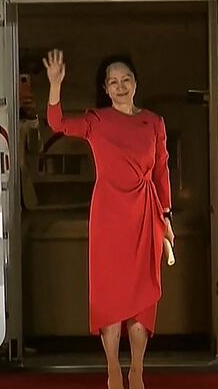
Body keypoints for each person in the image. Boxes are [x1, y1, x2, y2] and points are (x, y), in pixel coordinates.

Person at [43, 49, 175, 389]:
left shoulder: (154, 122)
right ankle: (113, 367)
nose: (120, 86)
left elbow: (162, 172)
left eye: (126, 79)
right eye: (113, 82)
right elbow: (57, 123)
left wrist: (166, 218)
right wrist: (55, 85)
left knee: (143, 295)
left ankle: (138, 369)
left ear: (135, 83)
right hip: (108, 216)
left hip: (145, 214)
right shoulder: (96, 121)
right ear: (105, 88)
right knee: (110, 295)